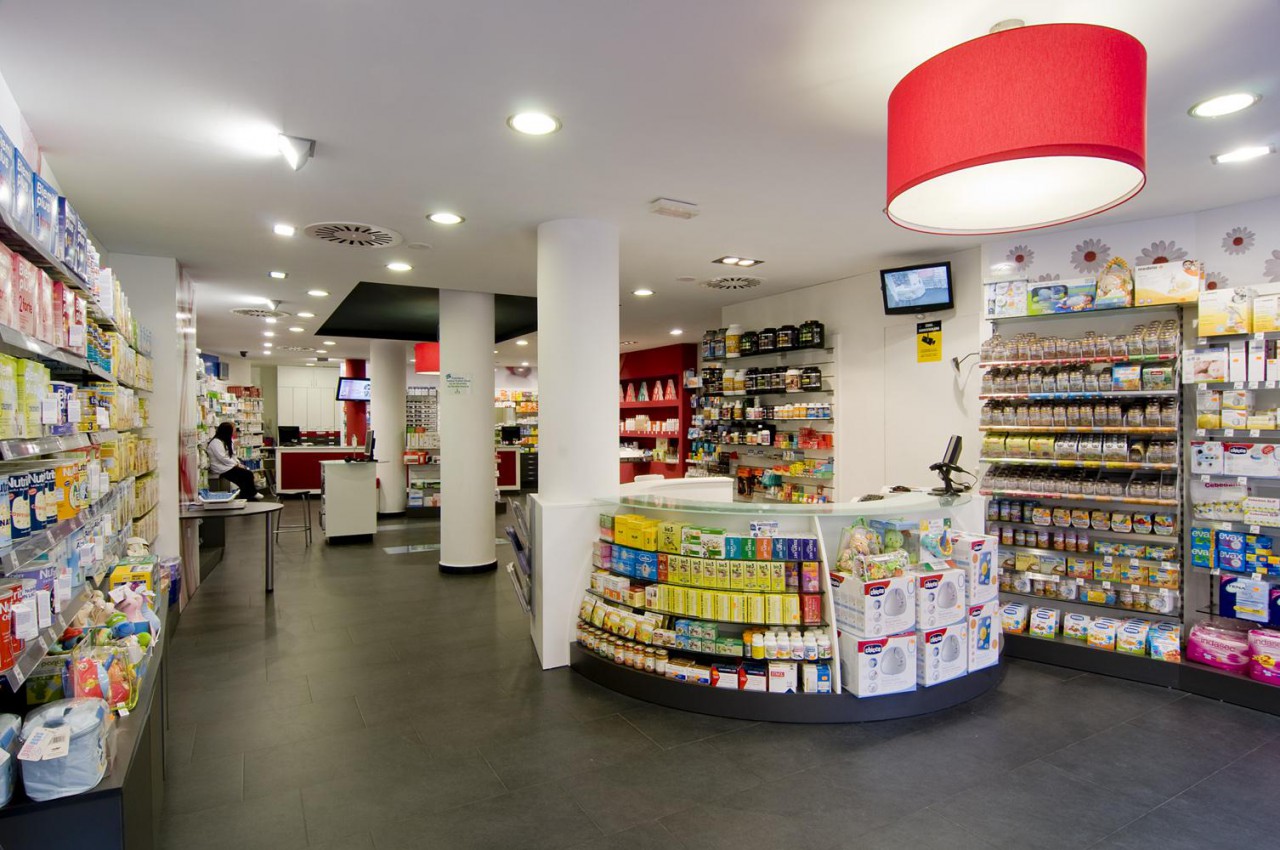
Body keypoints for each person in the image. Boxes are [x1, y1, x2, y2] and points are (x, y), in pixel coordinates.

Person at [207, 421, 264, 500]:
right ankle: (251, 494)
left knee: (245, 476)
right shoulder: (216, 442)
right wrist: (235, 464)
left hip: (227, 466)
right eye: (232, 431)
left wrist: (238, 463)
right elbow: (222, 458)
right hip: (221, 468)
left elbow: (233, 455)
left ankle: (247, 496)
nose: (234, 433)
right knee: (247, 474)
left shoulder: (226, 440)